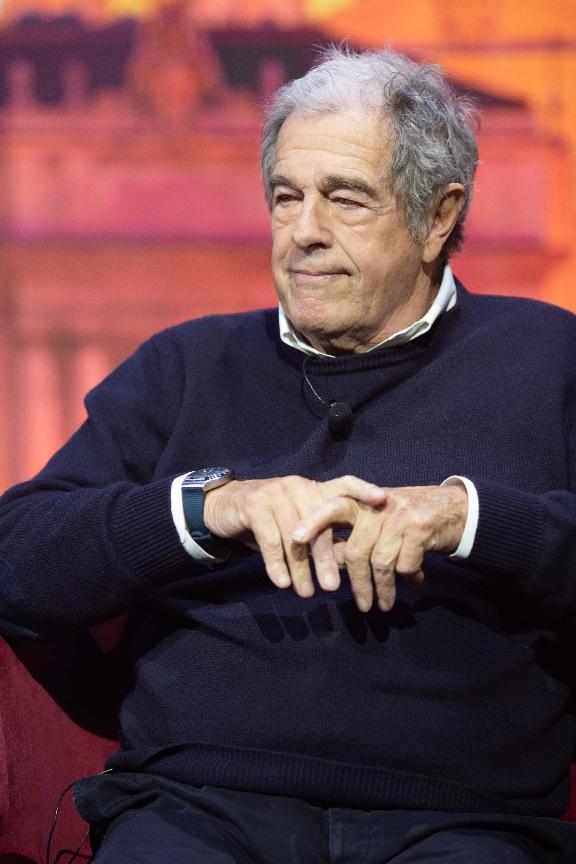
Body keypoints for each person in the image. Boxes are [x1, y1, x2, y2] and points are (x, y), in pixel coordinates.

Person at [0, 46, 575, 863]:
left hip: (462, 820)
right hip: (196, 805)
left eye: (345, 199)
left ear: (438, 217)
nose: (304, 232)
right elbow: (17, 559)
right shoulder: (185, 365)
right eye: (286, 197)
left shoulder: (550, 359)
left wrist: (471, 518)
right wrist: (206, 509)